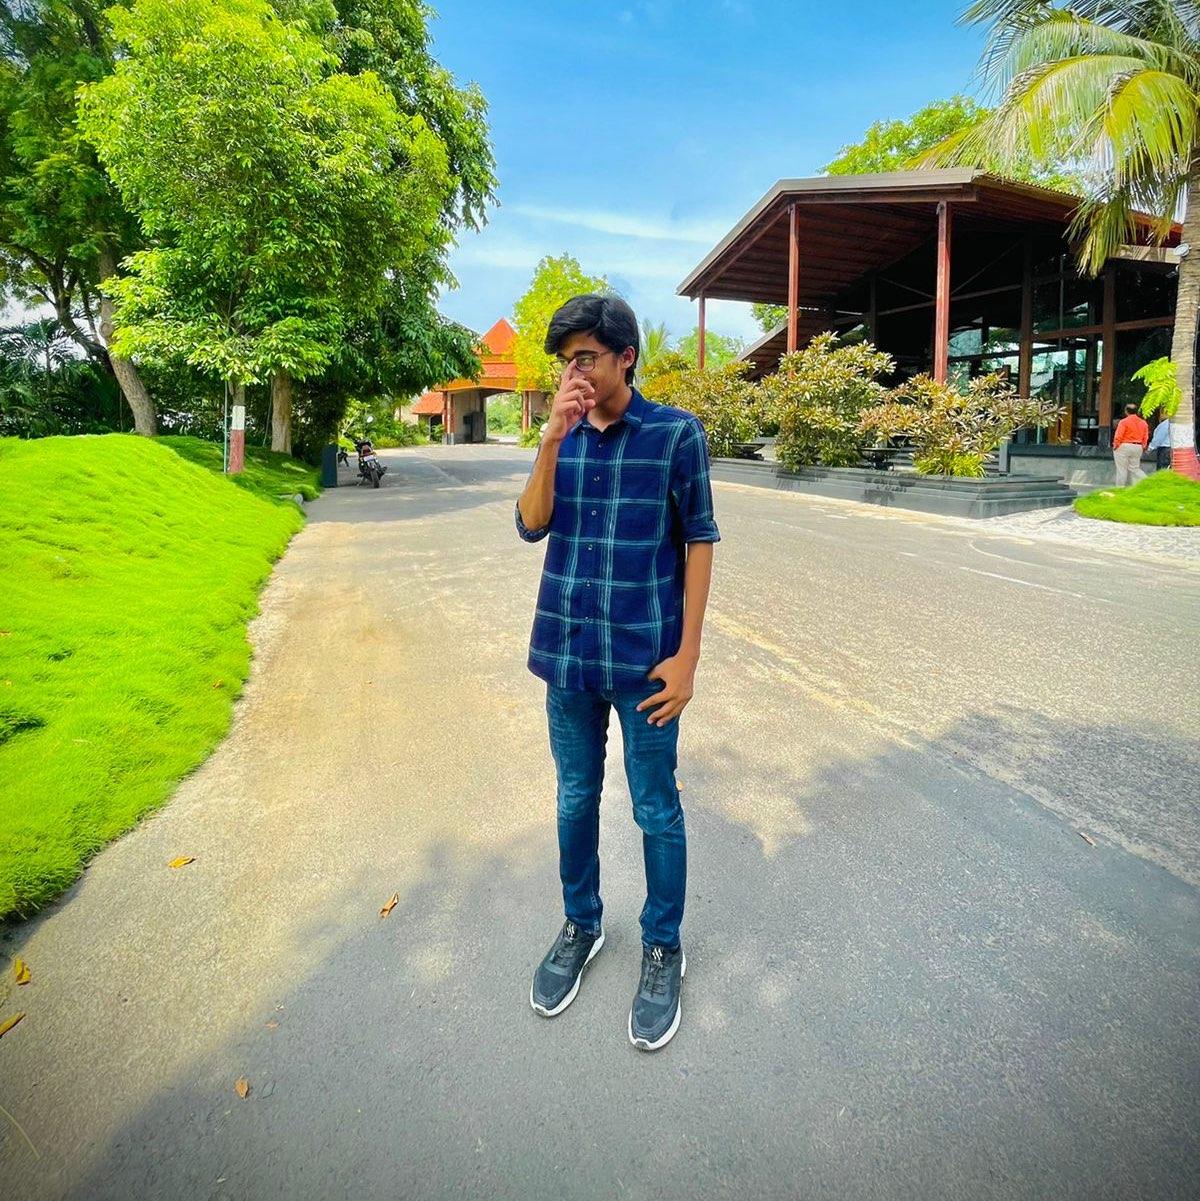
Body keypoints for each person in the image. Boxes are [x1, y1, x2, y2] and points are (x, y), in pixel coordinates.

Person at [514, 293, 720, 1052]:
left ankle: (663, 945)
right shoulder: (561, 436)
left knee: (656, 807)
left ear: (626, 357)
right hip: (569, 656)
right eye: (565, 362)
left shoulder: (675, 435)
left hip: (645, 663)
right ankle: (582, 924)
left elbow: (699, 541)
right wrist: (549, 441)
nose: (574, 373)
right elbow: (531, 523)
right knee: (575, 798)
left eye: (586, 358)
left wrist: (688, 657)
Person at [1112, 402, 1150, 486]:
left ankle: (1120, 489)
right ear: (1137, 411)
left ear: (1126, 411)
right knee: (1135, 468)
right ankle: (1148, 481)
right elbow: (1145, 437)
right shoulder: (1143, 423)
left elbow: (1119, 435)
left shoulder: (1123, 422)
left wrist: (1115, 445)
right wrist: (1143, 446)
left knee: (1121, 469)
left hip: (1124, 446)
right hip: (1138, 446)